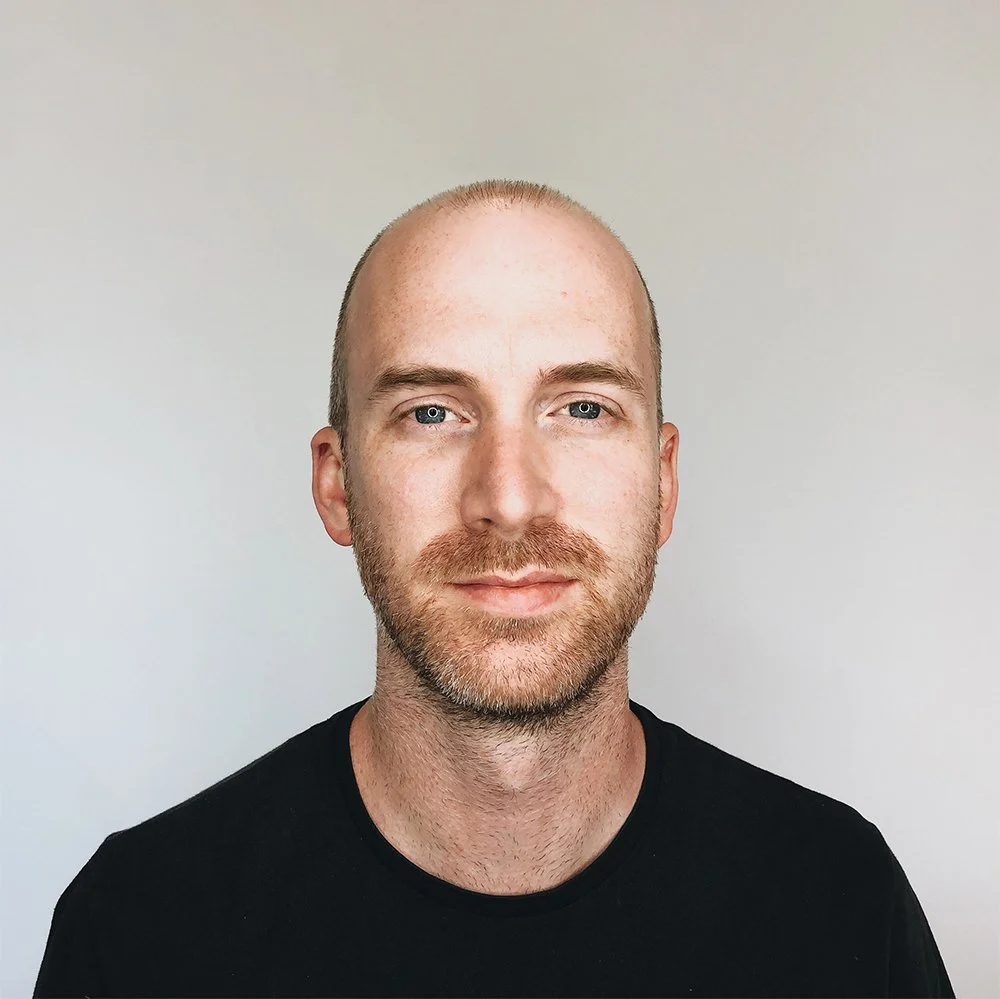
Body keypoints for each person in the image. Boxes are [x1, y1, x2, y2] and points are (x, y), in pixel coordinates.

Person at [34, 180, 953, 998]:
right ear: (337, 483)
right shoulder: (139, 930)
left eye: (583, 409)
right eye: (431, 412)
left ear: (664, 481)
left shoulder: (839, 904)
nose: (509, 499)